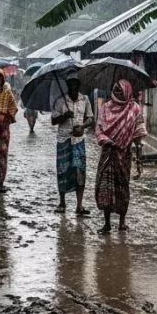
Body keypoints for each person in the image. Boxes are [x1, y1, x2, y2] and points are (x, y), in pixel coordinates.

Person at [94, 79, 148, 234]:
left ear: (128, 91)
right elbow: (98, 129)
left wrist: (139, 160)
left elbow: (138, 134)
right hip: (108, 153)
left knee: (123, 187)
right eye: (115, 89)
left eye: (121, 90)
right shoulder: (105, 108)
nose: (118, 93)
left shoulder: (134, 109)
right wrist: (109, 141)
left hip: (124, 155)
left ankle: (122, 222)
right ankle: (107, 223)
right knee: (106, 187)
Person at [52, 72, 94, 214]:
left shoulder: (85, 99)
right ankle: (62, 202)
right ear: (68, 85)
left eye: (76, 83)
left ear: (79, 85)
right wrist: (64, 116)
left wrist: (82, 126)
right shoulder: (60, 101)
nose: (73, 86)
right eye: (70, 84)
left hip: (79, 141)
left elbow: (90, 118)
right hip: (63, 140)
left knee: (80, 171)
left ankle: (79, 205)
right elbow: (53, 120)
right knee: (63, 171)